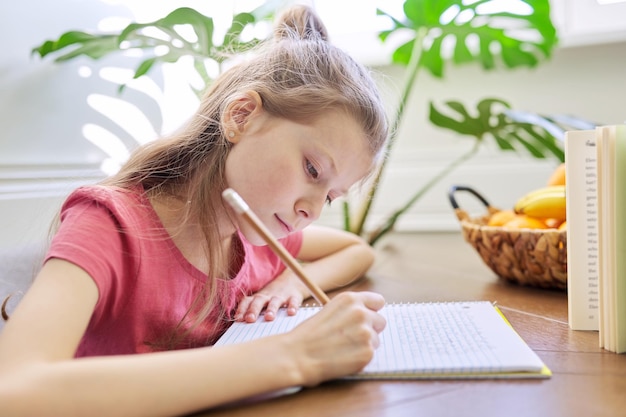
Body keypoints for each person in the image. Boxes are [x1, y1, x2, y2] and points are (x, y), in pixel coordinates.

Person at [0, 5, 389, 416]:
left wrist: (287, 286)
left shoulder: (255, 238)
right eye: (312, 169)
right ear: (241, 116)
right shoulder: (109, 225)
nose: (311, 210)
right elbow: (14, 388)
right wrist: (296, 355)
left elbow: (355, 250)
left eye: (330, 197)